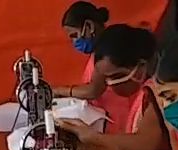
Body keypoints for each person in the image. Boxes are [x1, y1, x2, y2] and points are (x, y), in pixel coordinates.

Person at [51, 3, 134, 133]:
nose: (74, 42)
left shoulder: (109, 50)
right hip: (103, 119)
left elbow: (93, 90)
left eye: (74, 35)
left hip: (116, 122)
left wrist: (58, 91)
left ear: (89, 26)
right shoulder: (97, 53)